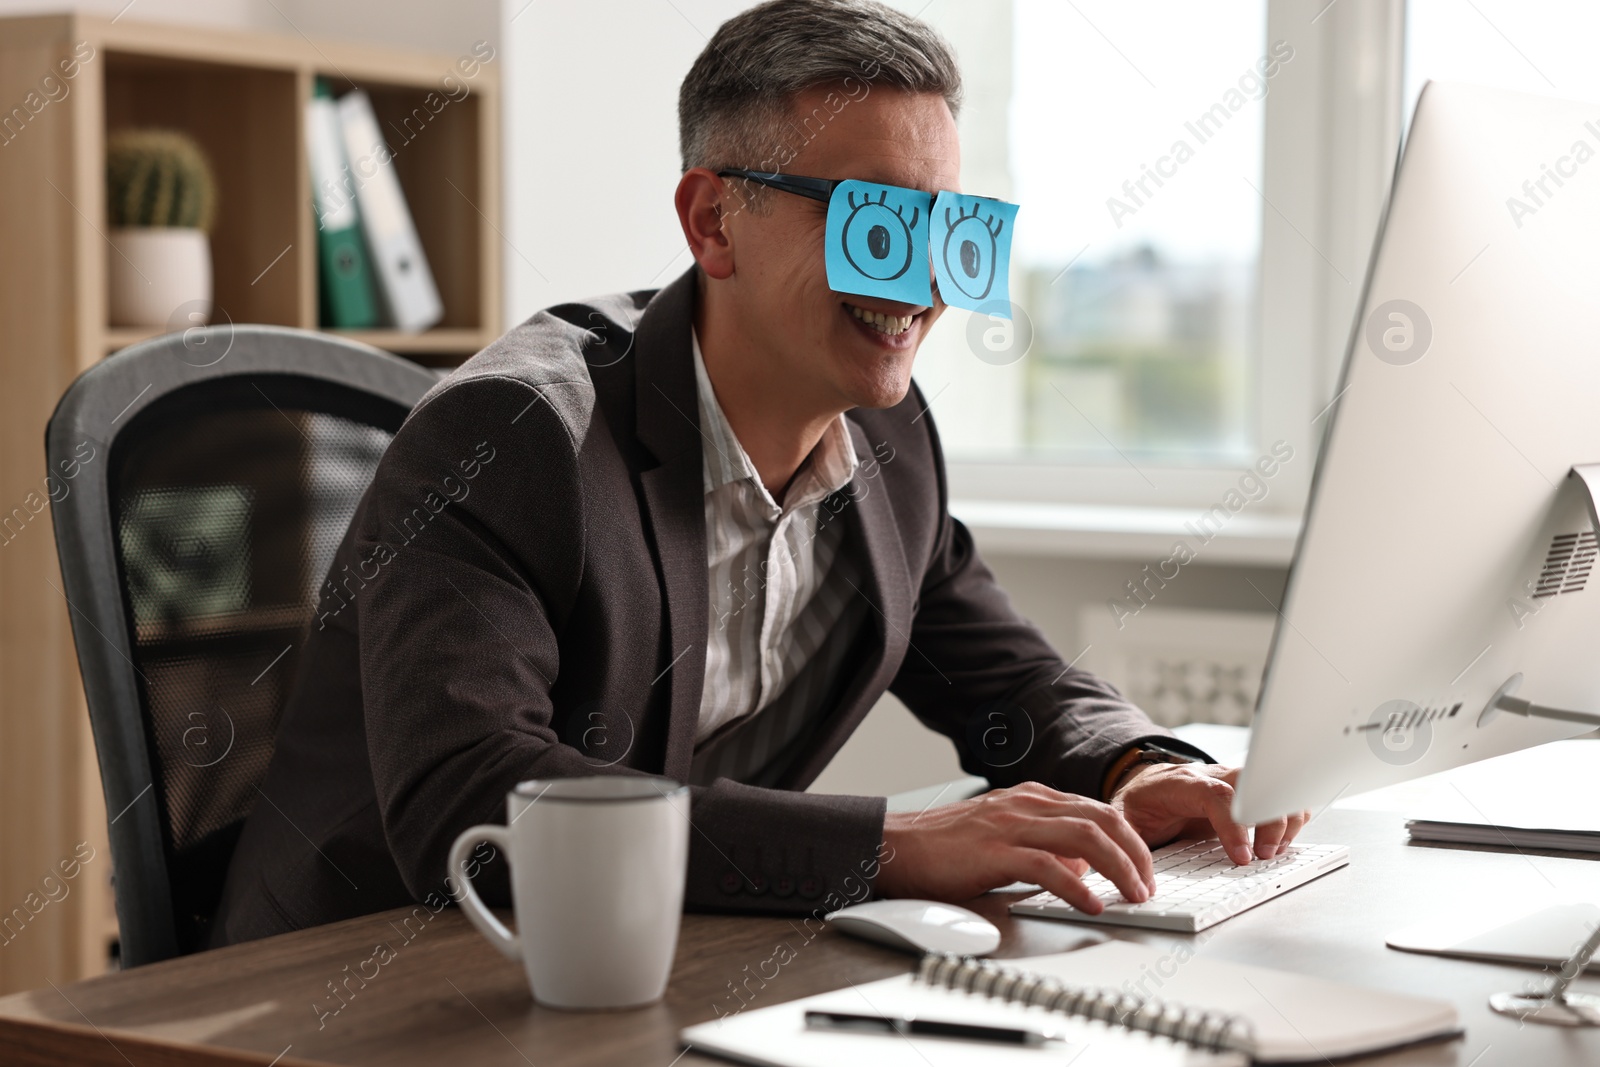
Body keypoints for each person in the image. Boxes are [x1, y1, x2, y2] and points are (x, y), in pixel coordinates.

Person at [210, 0, 1307, 948]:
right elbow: (477, 803)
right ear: (712, 220)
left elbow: (1009, 683)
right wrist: (887, 846)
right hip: (370, 980)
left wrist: (1134, 764)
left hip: (649, 960)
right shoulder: (514, 438)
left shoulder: (888, 442)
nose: (925, 281)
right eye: (879, 225)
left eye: (954, 229)